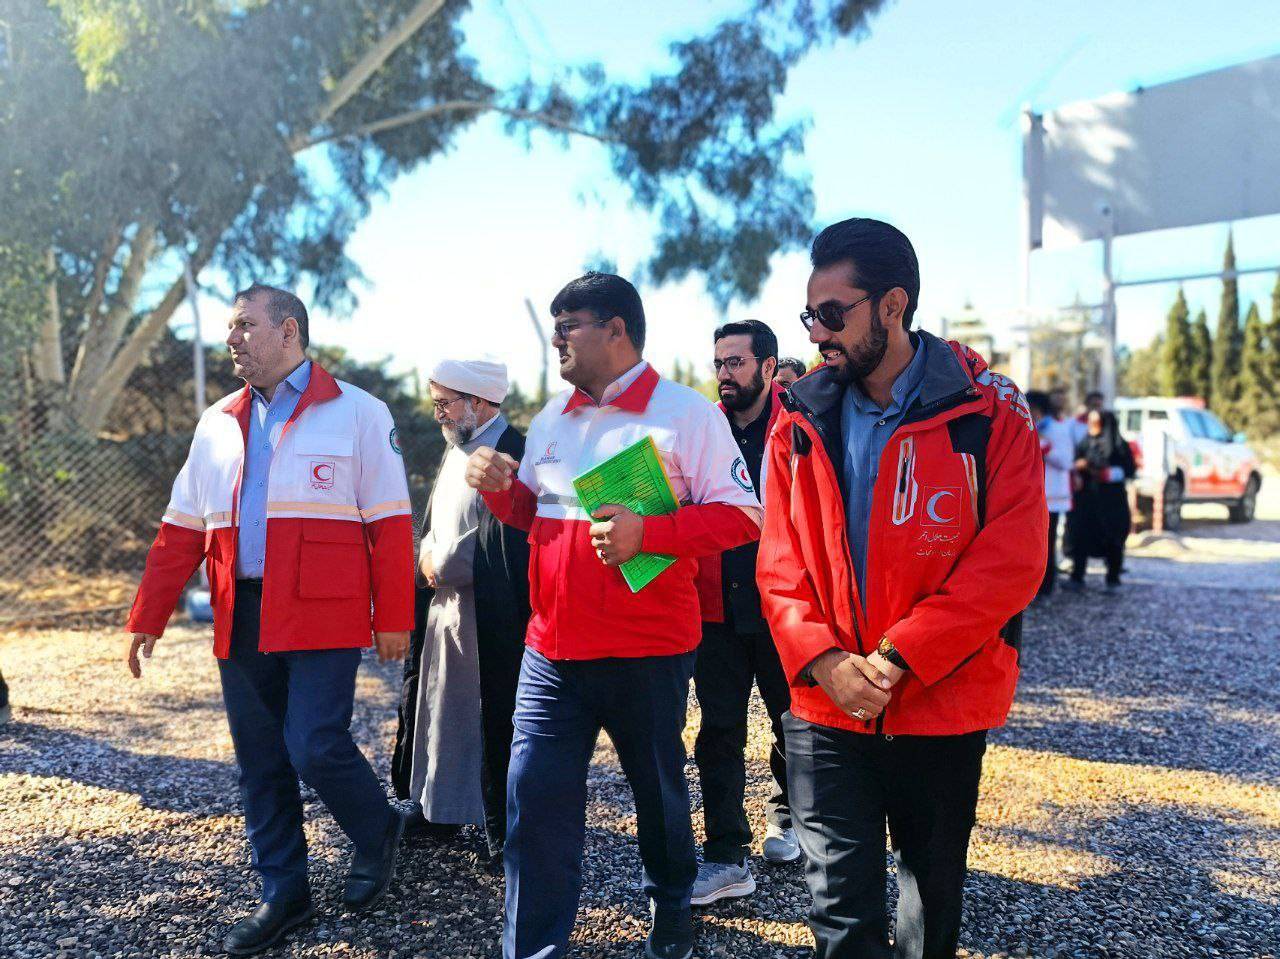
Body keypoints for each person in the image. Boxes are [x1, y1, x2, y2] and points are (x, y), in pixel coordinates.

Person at [757, 218, 1046, 959]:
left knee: (929, 912)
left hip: (939, 703)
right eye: (809, 315)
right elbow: (779, 561)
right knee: (839, 922)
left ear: (893, 304)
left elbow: (1013, 559)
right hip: (825, 710)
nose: (817, 333)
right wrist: (826, 662)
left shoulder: (992, 410)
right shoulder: (796, 417)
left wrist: (898, 657)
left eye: (832, 313)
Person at [464, 272, 762, 959]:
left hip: (647, 651)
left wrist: (648, 534)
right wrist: (501, 491)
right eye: (555, 325)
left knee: (657, 794)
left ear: (617, 329)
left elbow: (745, 517)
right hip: (550, 652)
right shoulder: (550, 417)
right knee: (532, 801)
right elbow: (535, 516)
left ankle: (672, 907)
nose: (556, 338)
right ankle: (532, 947)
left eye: (568, 324)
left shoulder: (688, 414)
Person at [125, 284, 414, 956]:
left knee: (313, 743)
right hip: (242, 609)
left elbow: (391, 524)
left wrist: (394, 616)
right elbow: (181, 527)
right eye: (230, 327)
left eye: (244, 325)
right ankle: (285, 892)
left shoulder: (360, 412)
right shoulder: (216, 421)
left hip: (324, 611)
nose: (231, 338)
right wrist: (149, 613)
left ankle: (377, 828)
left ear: (288, 332)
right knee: (260, 761)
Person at [389, 357, 530, 866]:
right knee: (440, 711)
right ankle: (439, 810)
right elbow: (435, 523)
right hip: (444, 608)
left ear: (480, 402)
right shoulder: (456, 449)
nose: (439, 415)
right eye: (437, 404)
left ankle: (499, 826)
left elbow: (503, 538)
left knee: (487, 716)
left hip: (486, 613)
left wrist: (441, 562)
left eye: (445, 404)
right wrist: (428, 555)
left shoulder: (511, 452)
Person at [688, 319, 796, 907]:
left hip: (785, 607)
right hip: (716, 608)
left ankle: (788, 816)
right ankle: (727, 855)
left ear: (768, 366)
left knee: (794, 725)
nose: (724, 374)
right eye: (719, 364)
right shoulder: (701, 427)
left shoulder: (802, 424)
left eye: (736, 362)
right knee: (719, 732)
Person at [1063, 409, 1135, 593]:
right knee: (1081, 535)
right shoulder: (1085, 442)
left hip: (1111, 502)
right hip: (1086, 500)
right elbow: (1074, 461)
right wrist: (1079, 467)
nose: (1091, 427)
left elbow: (1129, 469)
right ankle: (1077, 576)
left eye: (1095, 423)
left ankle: (1113, 578)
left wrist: (1106, 474)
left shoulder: (1119, 446)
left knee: (1113, 539)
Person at [1028, 389, 1074, 598]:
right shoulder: (1032, 426)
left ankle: (1046, 585)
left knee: (1047, 541)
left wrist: (1044, 446)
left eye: (1034, 409)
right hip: (1032, 494)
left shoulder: (1057, 428)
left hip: (1052, 495)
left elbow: (1066, 461)